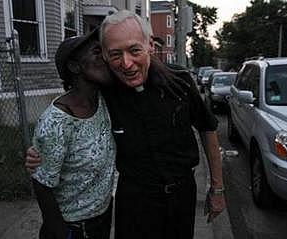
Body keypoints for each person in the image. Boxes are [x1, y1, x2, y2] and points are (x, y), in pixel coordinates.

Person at [27, 10, 226, 239]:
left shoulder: (178, 81)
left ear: (150, 46)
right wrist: (39, 152)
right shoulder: (107, 91)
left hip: (182, 197)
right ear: (106, 57)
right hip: (135, 202)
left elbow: (207, 128)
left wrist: (217, 188)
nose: (127, 63)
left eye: (134, 50)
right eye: (115, 54)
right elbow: (67, 119)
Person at [29, 29, 116, 239]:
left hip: (102, 219)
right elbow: (42, 185)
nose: (105, 57)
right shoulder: (56, 122)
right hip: (73, 228)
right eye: (97, 52)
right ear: (74, 66)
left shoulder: (105, 100)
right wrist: (60, 232)